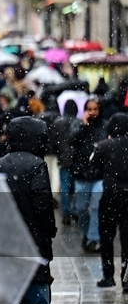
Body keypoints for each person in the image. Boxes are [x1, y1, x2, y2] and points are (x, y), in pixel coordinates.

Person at [0, 117, 75, 304]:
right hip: (31, 247)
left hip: (5, 248)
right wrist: (49, 231)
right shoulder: (36, 164)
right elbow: (42, 207)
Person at [93, 113, 128, 290]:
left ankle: (108, 275)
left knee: (106, 237)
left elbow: (93, 166)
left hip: (110, 195)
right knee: (126, 238)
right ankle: (126, 276)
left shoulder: (104, 146)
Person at [69, 98, 105, 253]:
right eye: (89, 109)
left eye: (95, 109)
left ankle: (93, 238)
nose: (92, 112)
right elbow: (72, 140)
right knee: (81, 208)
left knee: (97, 207)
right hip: (81, 174)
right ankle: (87, 233)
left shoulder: (104, 126)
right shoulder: (79, 125)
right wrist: (83, 126)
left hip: (99, 175)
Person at [52, 99, 80, 225]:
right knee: (76, 187)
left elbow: (54, 141)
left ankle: (66, 213)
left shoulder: (58, 122)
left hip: (63, 158)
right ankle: (75, 210)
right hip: (77, 159)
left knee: (64, 186)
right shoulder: (79, 123)